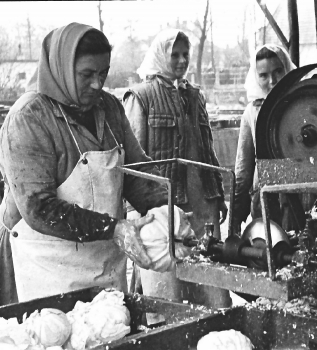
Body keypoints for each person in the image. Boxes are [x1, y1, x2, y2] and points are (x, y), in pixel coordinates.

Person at [0, 23, 169, 305]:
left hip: (99, 258)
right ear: (60, 68)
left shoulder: (109, 108)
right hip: (39, 262)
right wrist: (114, 229)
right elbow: (38, 207)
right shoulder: (29, 117)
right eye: (86, 74)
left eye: (103, 73)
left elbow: (135, 174)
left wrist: (169, 214)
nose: (98, 84)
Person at [123, 29, 230, 308]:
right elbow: (133, 163)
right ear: (160, 55)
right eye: (175, 54)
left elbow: (208, 151)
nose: (182, 61)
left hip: (201, 204)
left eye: (186, 54)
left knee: (212, 290)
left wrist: (217, 195)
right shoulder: (140, 97)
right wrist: (141, 211)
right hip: (164, 210)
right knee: (166, 293)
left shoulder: (195, 96)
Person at [232, 44, 297, 233]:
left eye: (278, 71)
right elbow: (243, 169)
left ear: (287, 69)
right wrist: (236, 217)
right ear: (255, 77)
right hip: (264, 202)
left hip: (299, 201)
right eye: (263, 75)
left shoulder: (304, 102)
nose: (272, 80)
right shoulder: (252, 113)